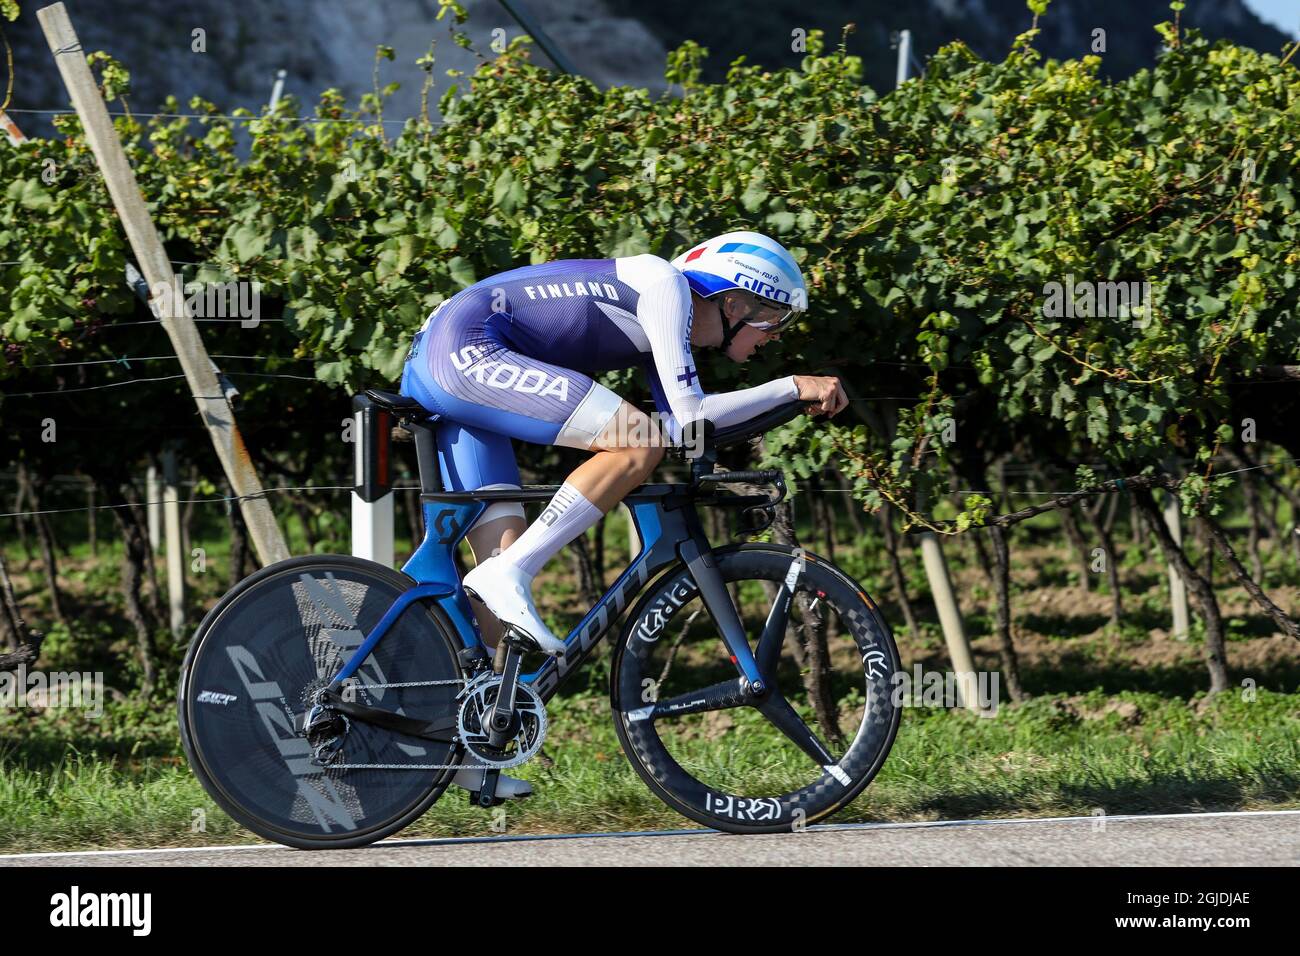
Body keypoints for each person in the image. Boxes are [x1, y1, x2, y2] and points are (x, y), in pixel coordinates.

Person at [399, 230, 847, 798]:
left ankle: (462, 749)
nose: (773, 336)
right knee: (637, 443)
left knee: (500, 566)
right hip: (465, 351)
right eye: (772, 319)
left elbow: (695, 427)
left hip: (453, 355)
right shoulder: (666, 288)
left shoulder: (666, 329)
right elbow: (681, 424)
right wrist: (791, 386)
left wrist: (787, 400)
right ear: (735, 302)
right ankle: (508, 574)